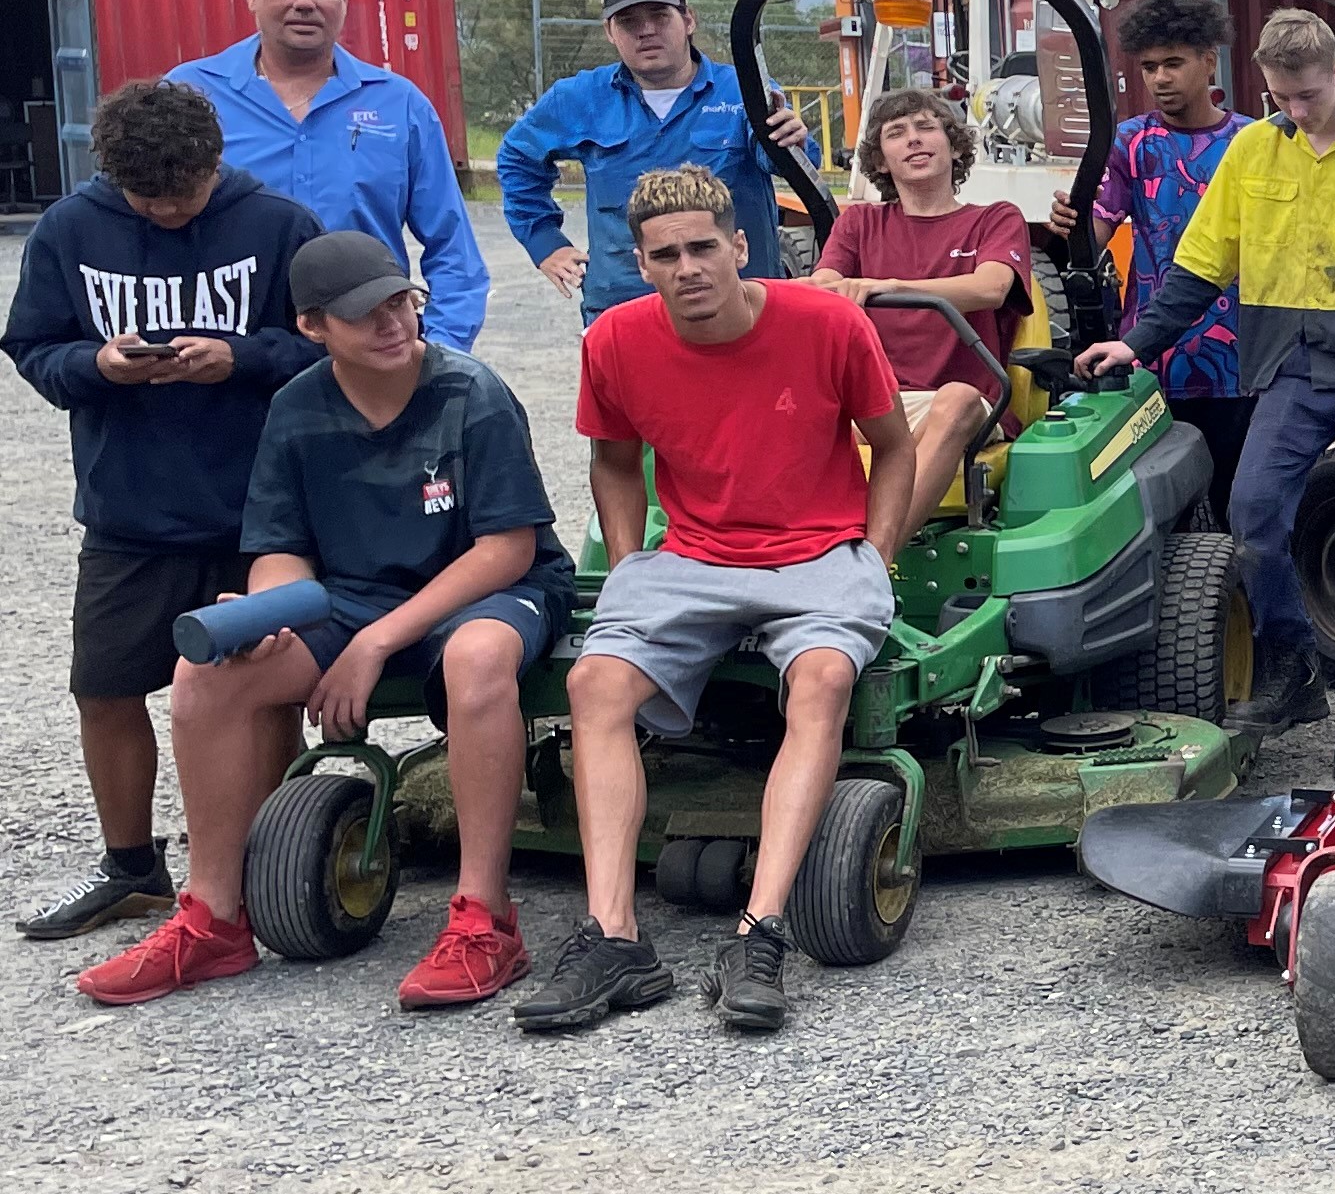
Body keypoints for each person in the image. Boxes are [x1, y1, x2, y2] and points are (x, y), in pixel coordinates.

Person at [83, 234, 577, 1009]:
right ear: (313, 327)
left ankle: (485, 920)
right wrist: (271, 614)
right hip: (350, 597)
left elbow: (506, 549)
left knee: (478, 657)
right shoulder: (295, 408)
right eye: (365, 314)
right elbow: (280, 548)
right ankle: (214, 919)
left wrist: (377, 642)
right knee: (205, 672)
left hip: (481, 590)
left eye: (400, 303)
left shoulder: (471, 392)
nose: (393, 324)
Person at [528, 166, 915, 1041]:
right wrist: (628, 565)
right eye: (666, 256)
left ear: (741, 247)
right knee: (593, 683)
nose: (688, 267)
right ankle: (614, 938)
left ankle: (759, 931)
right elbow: (614, 462)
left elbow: (893, 447)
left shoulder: (828, 324)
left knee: (823, 679)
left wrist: (876, 556)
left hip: (819, 552)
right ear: (640, 264)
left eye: (703, 247)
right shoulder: (615, 340)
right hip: (693, 556)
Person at [1072, 8, 1335, 734]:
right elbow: (1200, 267)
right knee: (1251, 516)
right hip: (1294, 366)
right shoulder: (1253, 149)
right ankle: (1294, 667)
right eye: (1281, 98)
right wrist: (1136, 344)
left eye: (1308, 96)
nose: (1296, 112)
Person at [3, 81, 322, 942]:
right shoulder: (70, 230)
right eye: (151, 203)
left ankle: (267, 863)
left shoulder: (278, 225)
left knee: (261, 692)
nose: (173, 213)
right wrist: (97, 366)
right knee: (104, 688)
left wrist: (241, 358)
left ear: (216, 163)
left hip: (258, 513)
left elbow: (327, 345)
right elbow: (32, 346)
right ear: (115, 179)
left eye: (188, 195)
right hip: (130, 512)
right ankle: (131, 868)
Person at [172, 0, 487, 350]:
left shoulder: (400, 105)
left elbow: (454, 252)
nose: (304, 2)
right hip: (228, 358)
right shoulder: (190, 95)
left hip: (362, 354)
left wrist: (439, 351)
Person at [496, 0, 811, 324]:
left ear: (688, 20)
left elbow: (791, 160)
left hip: (736, 308)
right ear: (609, 32)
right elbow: (517, 158)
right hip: (624, 310)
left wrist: (791, 141)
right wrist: (545, 242)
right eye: (629, 21)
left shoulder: (745, 89)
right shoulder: (579, 98)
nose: (646, 31)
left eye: (659, 16)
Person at [815, 84, 1036, 526]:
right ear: (880, 161)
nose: (913, 139)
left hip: (964, 401)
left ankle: (878, 552)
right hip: (876, 397)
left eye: (926, 127)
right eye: (896, 133)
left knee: (957, 400)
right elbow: (824, 285)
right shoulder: (859, 222)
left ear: (954, 147)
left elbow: (992, 287)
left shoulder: (995, 218)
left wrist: (889, 286)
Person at [1070, 0, 1253, 509]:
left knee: (1239, 505)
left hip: (1241, 362)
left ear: (1208, 60)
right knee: (1165, 510)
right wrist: (1071, 226)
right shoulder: (1130, 142)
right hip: (1154, 360)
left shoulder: (1252, 142)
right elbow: (1094, 234)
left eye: (1173, 63)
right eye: (1149, 67)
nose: (1159, 79)